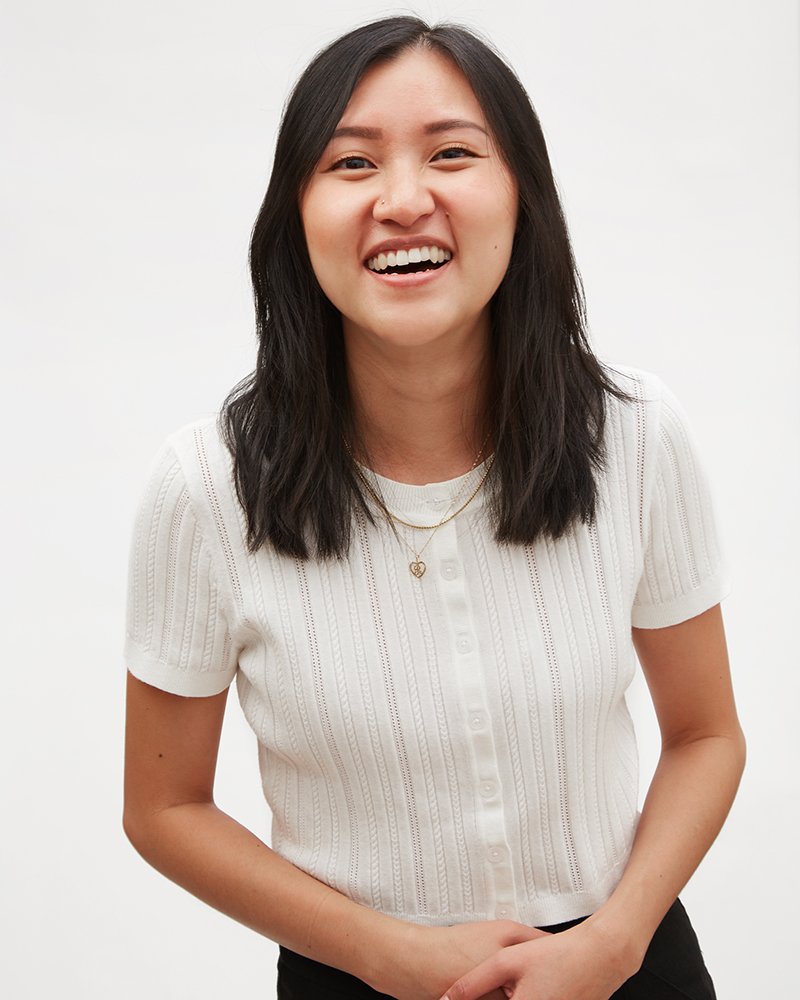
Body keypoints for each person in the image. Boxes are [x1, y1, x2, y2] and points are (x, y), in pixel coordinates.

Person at [123, 15, 745, 1000]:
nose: (403, 199)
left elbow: (706, 734)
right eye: (350, 163)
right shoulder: (205, 487)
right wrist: (383, 953)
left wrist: (615, 941)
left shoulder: (634, 435)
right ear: (296, 215)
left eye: (452, 153)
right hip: (352, 979)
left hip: (625, 966)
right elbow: (163, 807)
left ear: (520, 196)